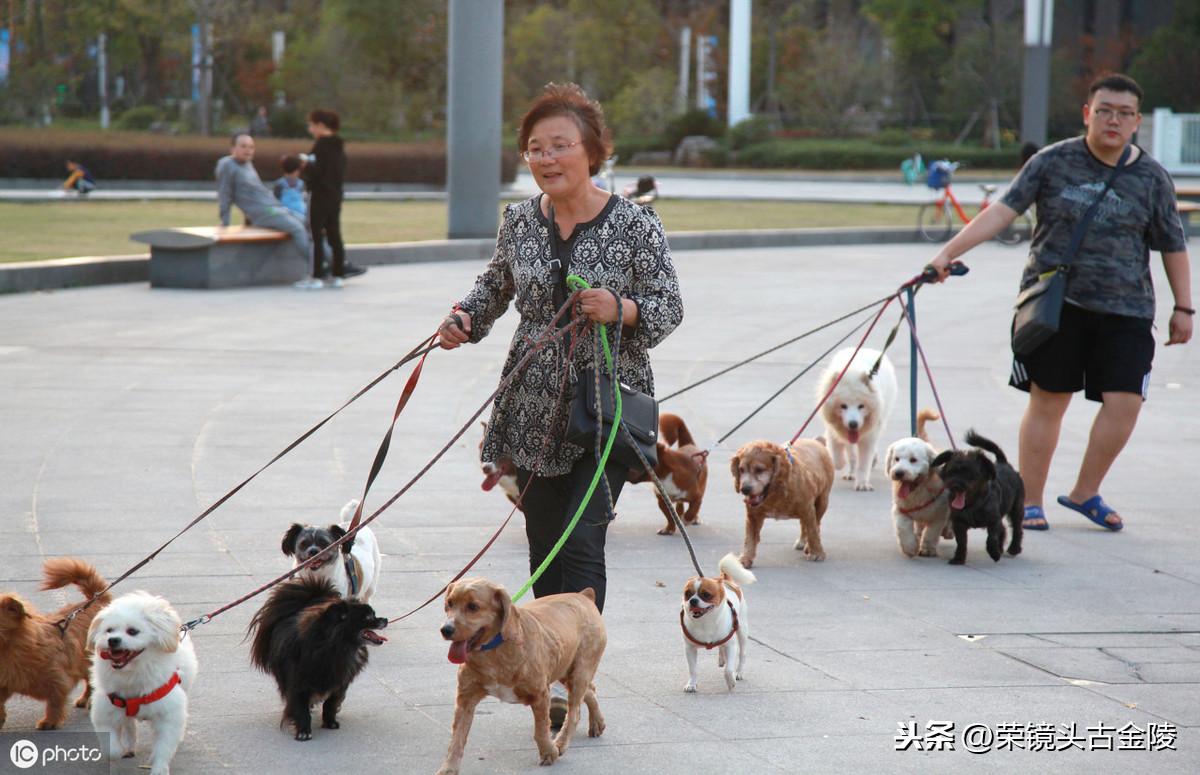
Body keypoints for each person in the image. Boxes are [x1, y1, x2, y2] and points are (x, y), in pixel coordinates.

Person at [438, 82, 683, 721]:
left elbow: (669, 307)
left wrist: (621, 308)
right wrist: (465, 318)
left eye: (561, 145)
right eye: (536, 148)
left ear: (593, 150)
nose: (547, 158)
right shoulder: (520, 220)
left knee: (580, 547)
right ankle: (546, 676)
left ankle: (571, 680)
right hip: (530, 410)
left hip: (601, 412)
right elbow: (494, 286)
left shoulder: (635, 222)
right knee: (543, 538)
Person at [927, 73, 1192, 533]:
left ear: (1136, 122)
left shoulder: (1152, 177)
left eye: (1124, 113)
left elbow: (1173, 244)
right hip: (1056, 304)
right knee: (1049, 400)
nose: (1114, 120)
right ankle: (1029, 500)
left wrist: (1184, 307)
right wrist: (948, 253)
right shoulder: (1053, 162)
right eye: (1105, 110)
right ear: (1088, 114)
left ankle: (1085, 491)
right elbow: (1002, 211)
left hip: (1128, 310)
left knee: (1125, 402)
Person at [215, 134, 311, 267]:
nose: (248, 150)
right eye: (243, 146)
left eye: (251, 147)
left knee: (311, 225)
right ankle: (317, 268)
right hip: (265, 212)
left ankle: (337, 264)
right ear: (232, 149)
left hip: (275, 207)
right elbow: (225, 194)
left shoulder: (248, 165)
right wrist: (225, 222)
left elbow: (253, 192)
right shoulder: (227, 165)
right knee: (298, 229)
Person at [295, 109, 366, 289]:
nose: (310, 129)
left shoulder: (320, 146)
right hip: (335, 196)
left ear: (320, 125)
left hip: (319, 195)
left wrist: (304, 167)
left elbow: (314, 172)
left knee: (315, 236)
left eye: (312, 125)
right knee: (335, 235)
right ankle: (338, 275)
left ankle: (315, 276)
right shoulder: (339, 147)